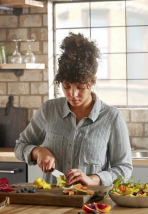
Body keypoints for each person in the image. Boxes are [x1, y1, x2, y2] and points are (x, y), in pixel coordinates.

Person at [15, 33, 132, 186]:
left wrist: (93, 179)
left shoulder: (112, 117)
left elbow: (124, 168)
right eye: (66, 86)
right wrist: (38, 152)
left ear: (92, 81)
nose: (72, 94)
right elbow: (20, 146)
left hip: (92, 205)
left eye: (81, 87)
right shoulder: (49, 110)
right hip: (53, 203)